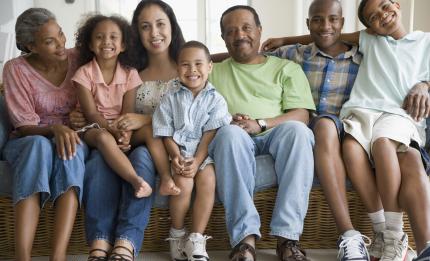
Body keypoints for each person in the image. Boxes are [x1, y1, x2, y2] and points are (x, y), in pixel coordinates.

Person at [261, 1, 370, 260]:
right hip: (302, 136)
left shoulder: (362, 57)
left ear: (343, 24)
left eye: (333, 20)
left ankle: (349, 233)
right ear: (308, 24)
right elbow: (249, 57)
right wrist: (201, 60)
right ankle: (345, 236)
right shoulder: (293, 54)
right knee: (314, 126)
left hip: (344, 131)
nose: (326, 26)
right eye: (317, 20)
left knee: (323, 123)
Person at [208, 5, 316, 261]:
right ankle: (244, 243)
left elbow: (302, 114)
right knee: (228, 134)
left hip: (273, 132)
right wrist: (227, 120)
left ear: (259, 30)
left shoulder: (286, 68)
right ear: (223, 38)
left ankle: (288, 239)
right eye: (231, 31)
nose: (240, 35)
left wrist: (261, 123)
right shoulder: (213, 71)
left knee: (298, 131)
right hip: (235, 138)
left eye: (246, 28)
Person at [80, 0, 186, 260]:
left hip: (161, 145)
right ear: (135, 34)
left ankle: (126, 242)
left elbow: (192, 116)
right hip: (122, 138)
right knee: (96, 161)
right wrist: (75, 113)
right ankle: (100, 241)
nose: (154, 33)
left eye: (161, 24)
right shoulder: (129, 69)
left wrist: (145, 120)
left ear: (172, 25)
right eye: (145, 27)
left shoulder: (189, 68)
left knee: (142, 159)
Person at [339, 1, 430, 260]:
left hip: (399, 114)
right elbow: (330, 35)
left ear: (397, 4)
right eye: (373, 17)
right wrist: (283, 40)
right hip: (362, 110)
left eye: (384, 5)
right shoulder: (370, 39)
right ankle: (380, 232)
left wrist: (424, 84)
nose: (382, 15)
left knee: (382, 142)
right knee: (350, 146)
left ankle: (394, 234)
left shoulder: (426, 41)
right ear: (371, 29)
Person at [2, 8, 88, 261]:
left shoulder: (79, 58)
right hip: (28, 140)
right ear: (31, 45)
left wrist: (82, 116)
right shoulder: (15, 69)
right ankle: (22, 257)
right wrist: (54, 128)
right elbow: (23, 124)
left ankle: (57, 256)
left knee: (70, 148)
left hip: (71, 136)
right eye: (50, 41)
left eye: (60, 34)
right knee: (39, 146)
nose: (61, 44)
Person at [153, 40, 231, 261]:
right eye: (185, 65)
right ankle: (177, 233)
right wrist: (176, 155)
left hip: (204, 154)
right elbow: (164, 132)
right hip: (179, 152)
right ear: (177, 69)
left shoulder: (216, 99)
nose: (192, 70)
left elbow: (211, 133)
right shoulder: (170, 97)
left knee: (208, 181)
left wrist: (197, 159)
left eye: (198, 64)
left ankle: (196, 238)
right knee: (183, 184)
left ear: (209, 67)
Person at [72, 14, 152, 198]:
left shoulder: (130, 74)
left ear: (123, 45)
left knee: (150, 131)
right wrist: (113, 132)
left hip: (120, 126)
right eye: (99, 37)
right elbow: (90, 113)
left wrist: (125, 134)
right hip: (92, 128)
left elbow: (128, 111)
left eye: (113, 37)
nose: (106, 41)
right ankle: (136, 180)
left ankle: (166, 176)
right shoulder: (83, 74)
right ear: (90, 45)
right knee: (103, 138)